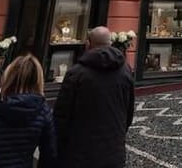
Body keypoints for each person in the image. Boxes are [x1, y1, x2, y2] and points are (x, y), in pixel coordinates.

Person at [53, 26, 135, 167]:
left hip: (80, 151)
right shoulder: (125, 70)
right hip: (113, 148)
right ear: (110, 43)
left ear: (88, 44)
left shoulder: (77, 73)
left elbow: (61, 115)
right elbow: (129, 109)